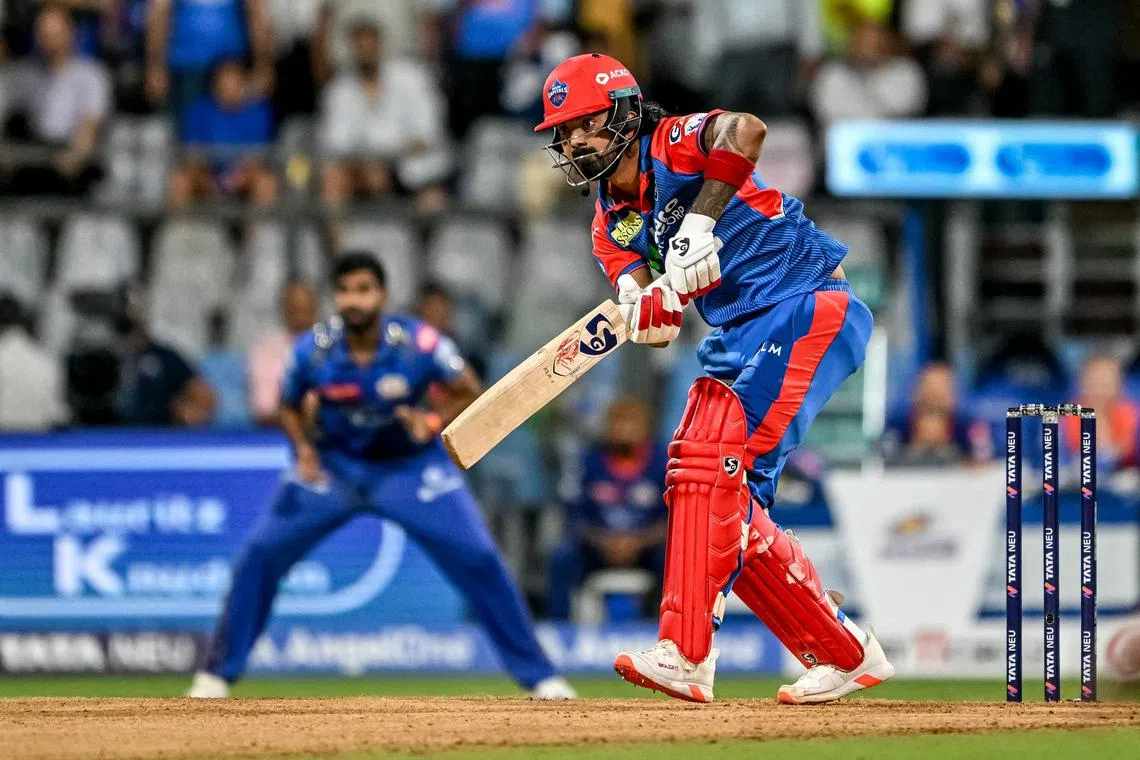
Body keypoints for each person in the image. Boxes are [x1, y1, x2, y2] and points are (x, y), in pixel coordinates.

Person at [534, 53, 894, 704]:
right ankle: (844, 653)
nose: (571, 142)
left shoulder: (668, 143)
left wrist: (699, 222)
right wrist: (646, 307)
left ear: (621, 114)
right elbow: (648, 308)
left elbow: (749, 130)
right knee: (702, 483)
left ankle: (687, 650)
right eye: (562, 133)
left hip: (808, 303)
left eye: (582, 125)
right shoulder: (609, 222)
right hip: (736, 337)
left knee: (710, 464)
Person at [188, 252, 574, 700]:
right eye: (346, 291)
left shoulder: (420, 343)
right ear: (335, 297)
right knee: (259, 555)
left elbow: (468, 389)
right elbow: (288, 406)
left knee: (481, 560)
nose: (354, 300)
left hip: (410, 468)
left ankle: (541, 677)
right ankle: (215, 676)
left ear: (383, 296)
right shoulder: (313, 349)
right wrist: (304, 449)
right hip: (334, 468)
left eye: (364, 290)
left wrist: (431, 423)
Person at [547, 398, 667, 620]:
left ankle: (667, 629)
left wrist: (637, 542)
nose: (625, 430)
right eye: (619, 423)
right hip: (598, 546)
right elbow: (575, 516)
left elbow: (673, 518)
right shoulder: (587, 462)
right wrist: (606, 542)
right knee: (562, 558)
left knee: (675, 558)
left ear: (645, 428)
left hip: (647, 546)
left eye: (632, 423)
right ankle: (558, 629)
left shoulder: (664, 463)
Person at [3, 5, 110, 196]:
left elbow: (91, 125)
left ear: (71, 34)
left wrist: (74, 158)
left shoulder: (90, 75)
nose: (49, 41)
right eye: (43, 34)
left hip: (70, 161)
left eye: (55, 34)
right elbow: (8, 118)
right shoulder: (23, 76)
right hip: (30, 160)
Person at [168, 59, 277, 208]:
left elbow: (257, 158)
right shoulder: (197, 111)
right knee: (180, 181)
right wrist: (208, 181)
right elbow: (193, 157)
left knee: (266, 182)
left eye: (234, 81)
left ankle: (258, 230)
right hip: (206, 176)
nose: (229, 87)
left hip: (244, 178)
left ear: (244, 83)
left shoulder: (258, 112)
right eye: (224, 82)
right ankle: (182, 230)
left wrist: (235, 181)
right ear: (215, 85)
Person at [881, 361, 994, 465]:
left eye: (941, 390)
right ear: (916, 392)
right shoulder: (898, 423)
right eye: (929, 389)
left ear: (953, 394)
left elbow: (983, 462)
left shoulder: (969, 425)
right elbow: (883, 460)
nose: (935, 395)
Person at [248, 281, 319, 426]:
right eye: (294, 309)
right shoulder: (266, 349)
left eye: (305, 309)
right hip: (276, 437)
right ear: (283, 310)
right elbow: (264, 410)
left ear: (315, 309)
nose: (300, 316)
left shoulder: (334, 345)